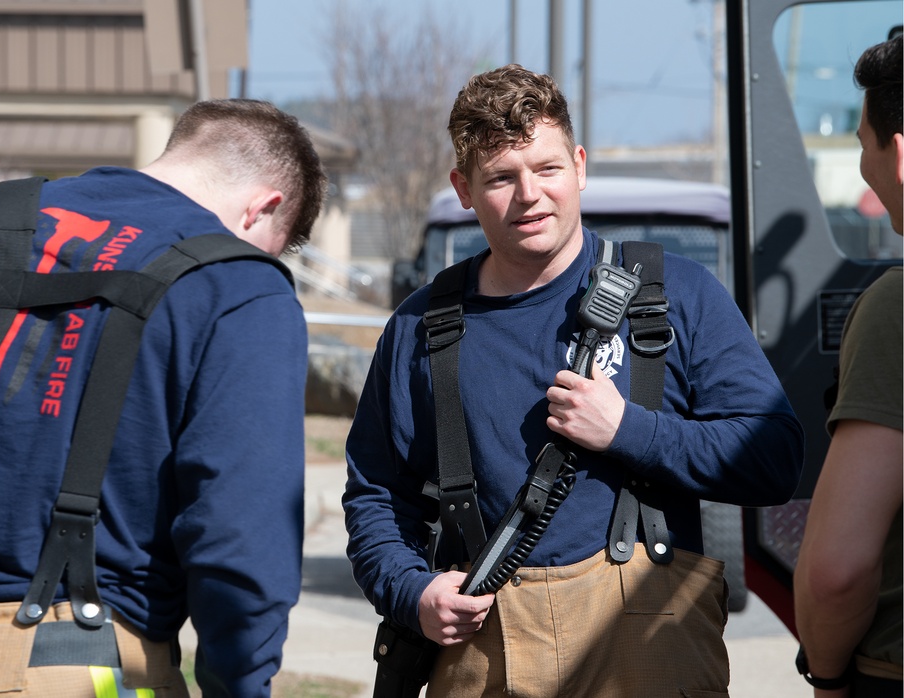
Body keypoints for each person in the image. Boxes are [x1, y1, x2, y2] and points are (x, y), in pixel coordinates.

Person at [343, 64, 804, 697]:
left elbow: (775, 458)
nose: (529, 195)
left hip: (652, 643)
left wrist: (629, 431)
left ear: (580, 165)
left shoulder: (678, 298)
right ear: (463, 190)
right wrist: (413, 592)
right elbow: (375, 496)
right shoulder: (420, 327)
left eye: (547, 169)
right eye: (501, 178)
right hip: (486, 651)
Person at [0, 99, 326, 696]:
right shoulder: (241, 285)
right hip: (83, 664)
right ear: (263, 209)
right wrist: (240, 683)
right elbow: (240, 537)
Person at [793, 33, 903, 698]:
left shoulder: (895, 309)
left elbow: (838, 569)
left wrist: (824, 674)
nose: (864, 164)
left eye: (862, 143)